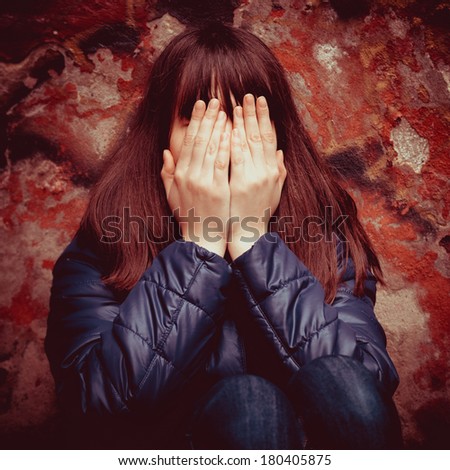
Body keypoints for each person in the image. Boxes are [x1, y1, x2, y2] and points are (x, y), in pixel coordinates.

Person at [45, 21, 403, 450]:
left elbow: (365, 388)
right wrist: (199, 244)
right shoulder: (107, 238)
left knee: (336, 378)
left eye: (244, 121)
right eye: (200, 121)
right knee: (248, 403)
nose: (224, 146)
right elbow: (94, 403)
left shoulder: (325, 234)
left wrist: (252, 239)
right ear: (162, 136)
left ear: (276, 139)